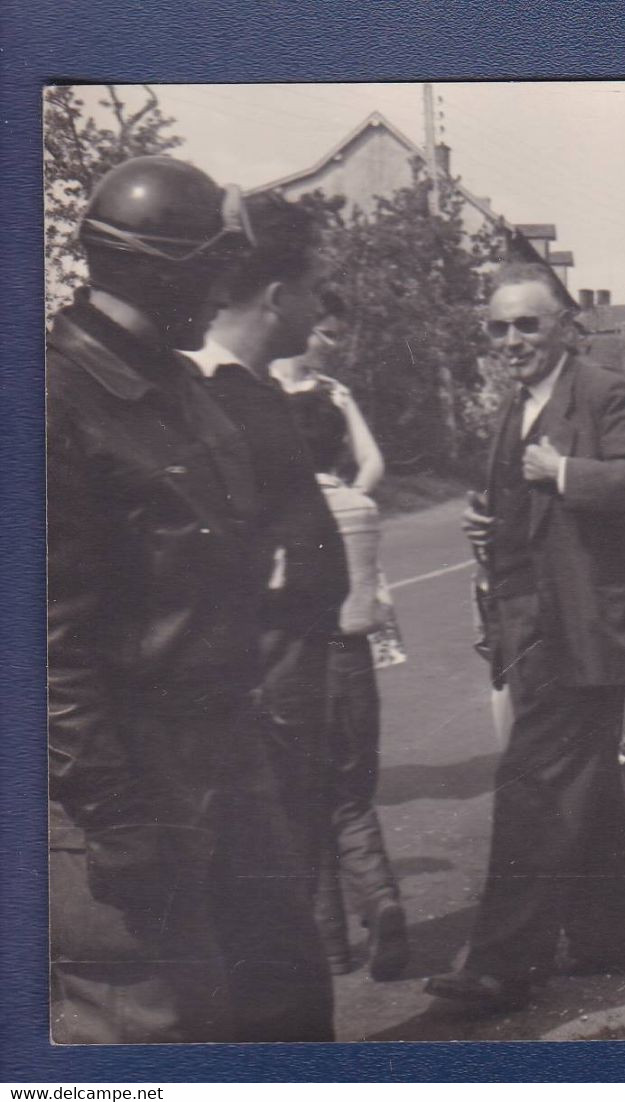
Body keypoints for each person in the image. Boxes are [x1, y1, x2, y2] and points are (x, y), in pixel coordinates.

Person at [46, 156, 331, 1042]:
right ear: (165, 270)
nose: (218, 294)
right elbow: (44, 647)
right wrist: (119, 819)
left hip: (225, 757)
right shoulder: (52, 405)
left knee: (283, 1010)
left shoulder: (184, 392)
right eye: (209, 268)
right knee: (152, 1029)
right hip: (121, 783)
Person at [426, 263, 625, 1013]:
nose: (511, 341)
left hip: (585, 635)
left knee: (533, 789)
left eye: (526, 325)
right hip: (532, 631)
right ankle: (613, 942)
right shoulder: (516, 405)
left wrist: (567, 470)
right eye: (498, 328)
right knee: (586, 789)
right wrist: (490, 523)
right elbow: (530, 520)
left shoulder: (600, 393)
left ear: (564, 326)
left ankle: (504, 965)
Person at [181, 191, 351, 1036]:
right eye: (315, 288)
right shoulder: (216, 401)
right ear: (278, 296)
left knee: (287, 870)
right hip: (269, 673)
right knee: (272, 879)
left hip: (293, 659)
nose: (323, 307)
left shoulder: (247, 394)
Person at [287, 391, 410, 980]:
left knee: (302, 806)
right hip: (356, 662)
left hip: (302, 664)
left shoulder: (284, 511)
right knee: (352, 797)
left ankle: (330, 946)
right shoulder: (361, 507)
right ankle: (383, 900)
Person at [271, 292, 385, 493]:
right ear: (302, 328)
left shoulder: (334, 393)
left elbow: (371, 460)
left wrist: (352, 497)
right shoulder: (258, 384)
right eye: (328, 335)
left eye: (337, 337)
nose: (334, 346)